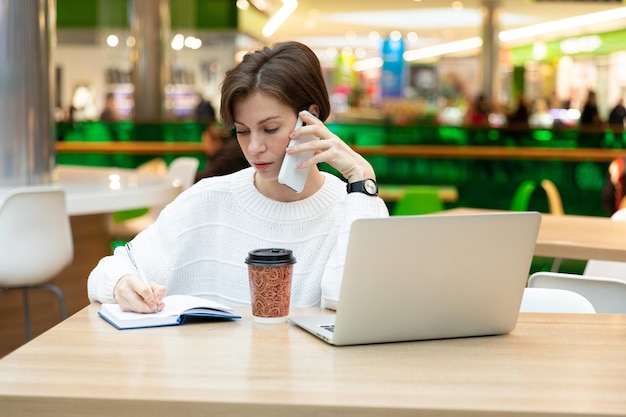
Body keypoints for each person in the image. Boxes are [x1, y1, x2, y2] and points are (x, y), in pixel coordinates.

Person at [87, 41, 389, 313]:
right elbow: (106, 272)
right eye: (242, 131)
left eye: (270, 129)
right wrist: (122, 284)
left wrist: (362, 181)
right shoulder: (207, 199)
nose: (254, 148)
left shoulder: (352, 206)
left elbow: (356, 305)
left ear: (309, 117)